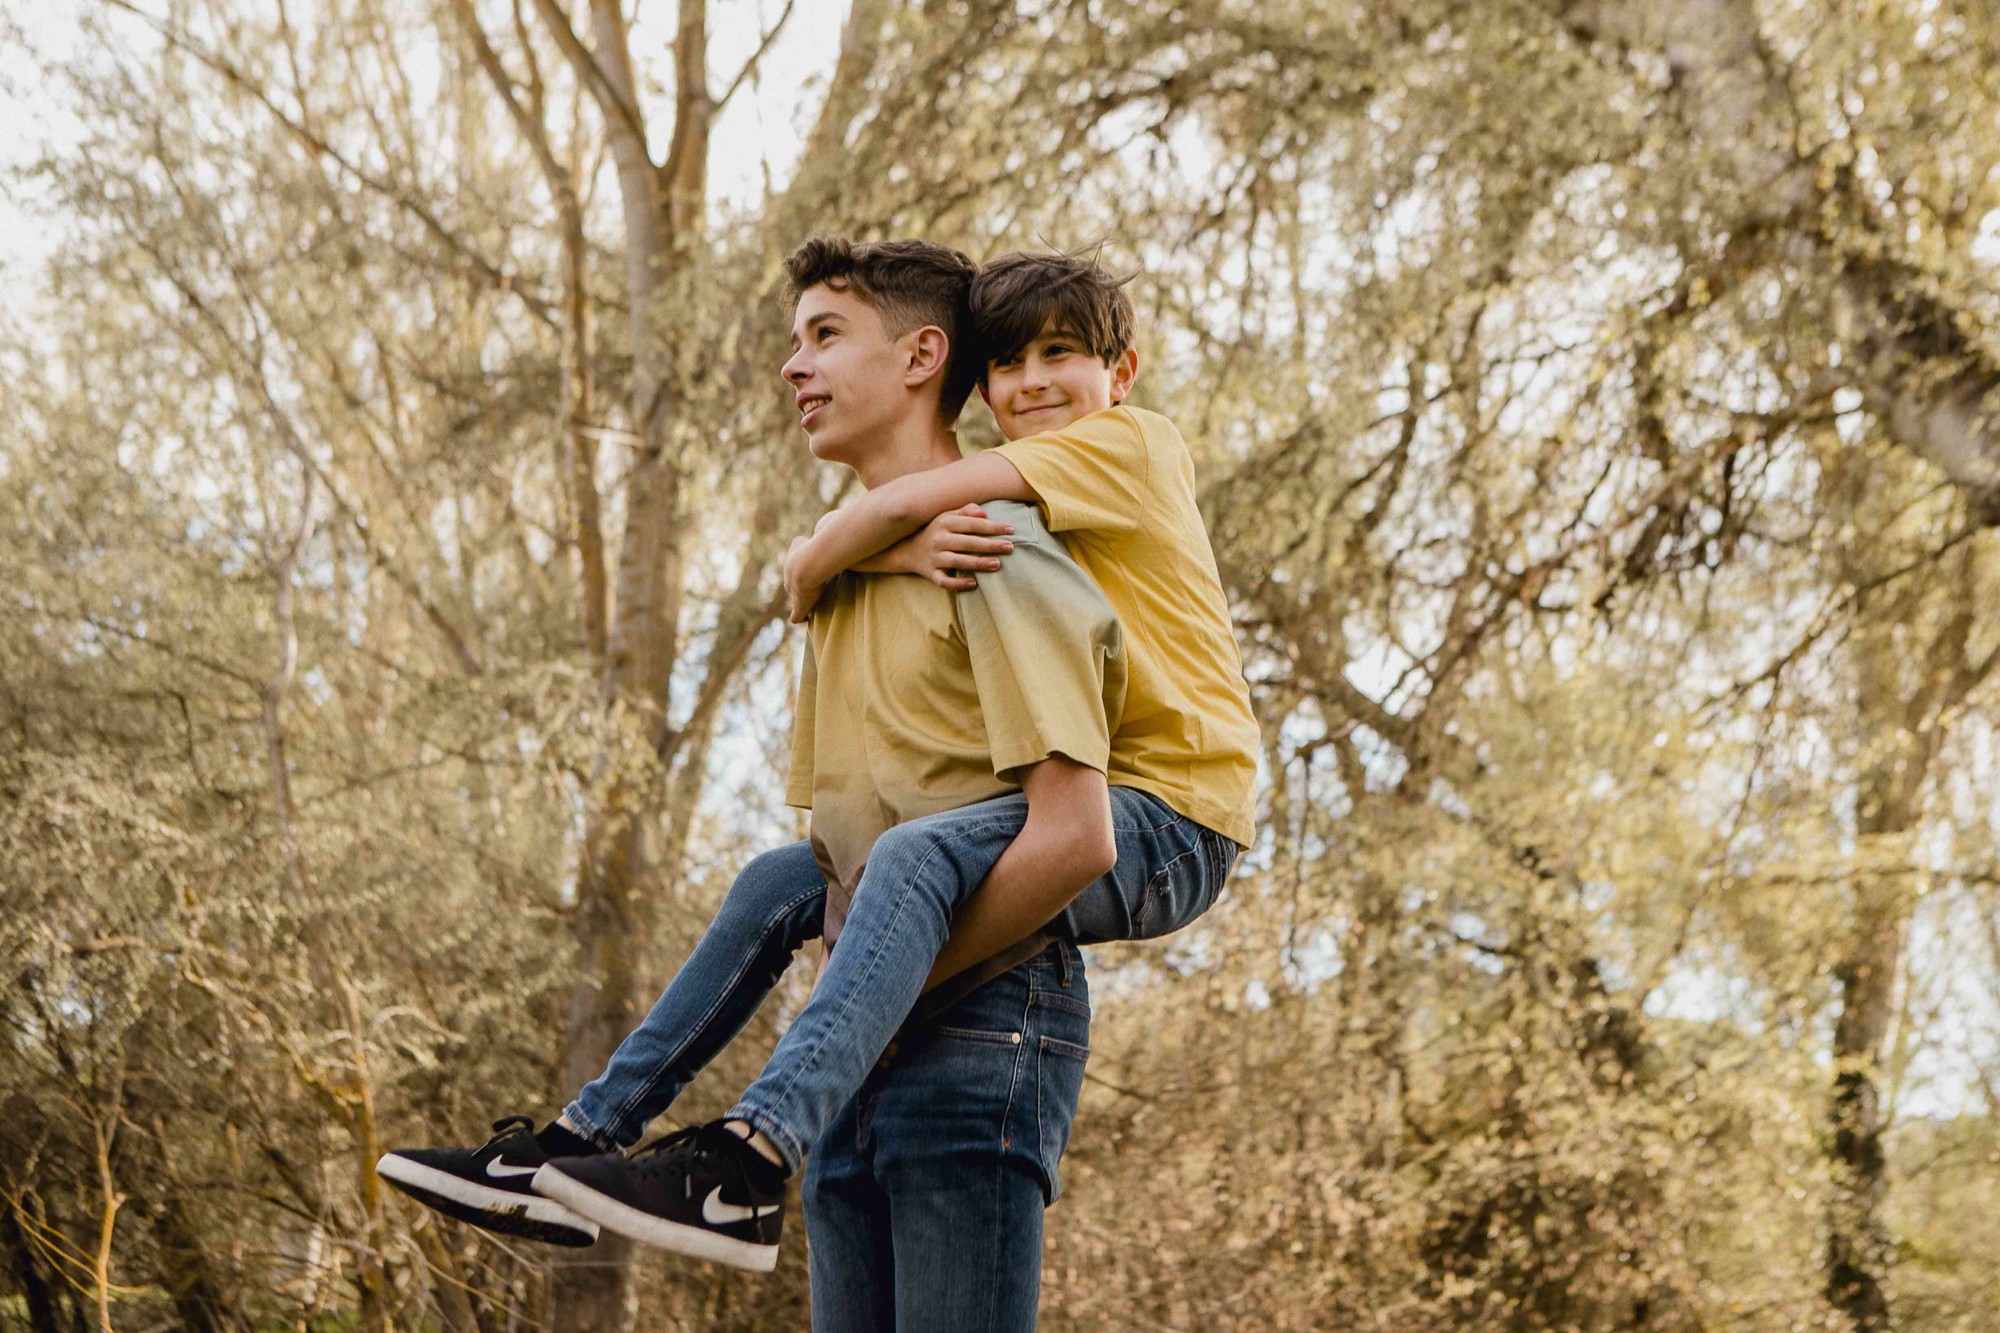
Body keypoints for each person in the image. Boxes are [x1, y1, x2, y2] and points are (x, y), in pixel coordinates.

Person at [377, 240, 1254, 1309]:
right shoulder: (861, 574)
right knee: (781, 878)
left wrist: (858, 995)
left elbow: (1066, 834)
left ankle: (745, 1157)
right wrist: (828, 557)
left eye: (824, 336)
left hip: (1146, 840)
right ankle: (578, 1137)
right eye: (1008, 364)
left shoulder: (1018, 525)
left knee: (907, 858)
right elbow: (845, 845)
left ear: (923, 358)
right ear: (979, 383)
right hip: (867, 1041)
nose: (792, 365)